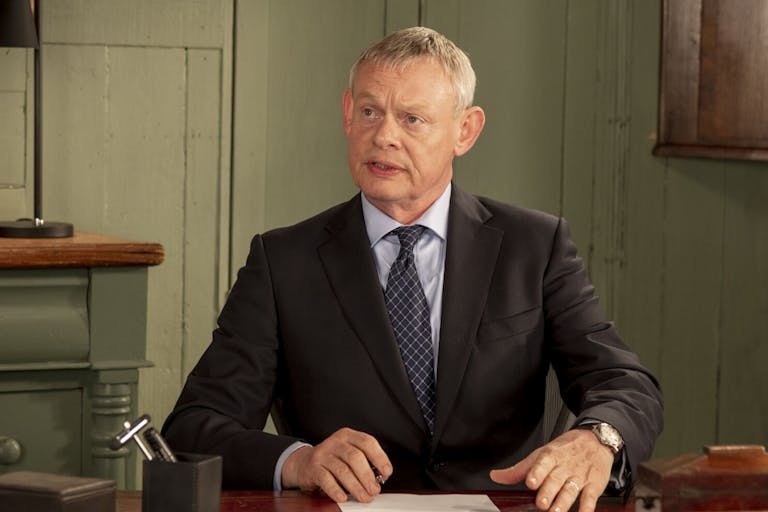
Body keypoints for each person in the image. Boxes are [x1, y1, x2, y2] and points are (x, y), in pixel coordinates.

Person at [162, 26, 663, 512]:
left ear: (465, 131)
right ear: (346, 114)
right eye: (369, 111)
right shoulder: (283, 262)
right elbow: (193, 425)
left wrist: (599, 439)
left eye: (412, 119)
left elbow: (623, 381)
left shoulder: (535, 246)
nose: (384, 137)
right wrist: (297, 461)